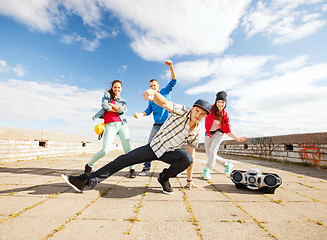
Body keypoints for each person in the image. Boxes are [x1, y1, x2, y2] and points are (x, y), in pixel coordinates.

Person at [61, 87, 212, 194]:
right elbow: (165, 103)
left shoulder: (197, 130)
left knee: (187, 158)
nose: (198, 115)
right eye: (197, 110)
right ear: (192, 109)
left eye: (202, 114)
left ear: (205, 116)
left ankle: (164, 178)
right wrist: (153, 92)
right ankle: (86, 181)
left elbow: (191, 154)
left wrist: (189, 180)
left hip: (170, 152)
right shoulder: (182, 111)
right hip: (154, 147)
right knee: (123, 160)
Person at [133, 60, 177, 176]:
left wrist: (171, 66)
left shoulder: (164, 92)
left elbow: (174, 81)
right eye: (150, 86)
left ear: (158, 87)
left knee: (172, 146)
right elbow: (148, 111)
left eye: (154, 85)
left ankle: (176, 168)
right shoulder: (151, 100)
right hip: (157, 125)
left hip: (168, 124)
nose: (153, 87)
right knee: (150, 146)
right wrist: (139, 114)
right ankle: (146, 167)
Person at [86, 80, 136, 178]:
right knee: (105, 150)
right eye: (115, 87)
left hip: (122, 124)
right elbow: (105, 105)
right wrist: (116, 108)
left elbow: (122, 111)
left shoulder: (123, 101)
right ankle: (89, 165)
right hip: (110, 125)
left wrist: (112, 105)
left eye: (119, 87)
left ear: (121, 89)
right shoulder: (107, 96)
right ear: (112, 88)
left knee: (127, 148)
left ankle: (132, 169)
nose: (117, 89)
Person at [203, 91, 246, 180]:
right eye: (218, 102)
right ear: (216, 102)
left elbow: (228, 130)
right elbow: (200, 110)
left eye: (222, 102)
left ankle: (207, 170)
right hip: (208, 133)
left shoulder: (225, 115)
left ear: (225, 104)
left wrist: (237, 138)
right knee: (210, 154)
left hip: (219, 133)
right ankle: (227, 164)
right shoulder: (209, 109)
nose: (220, 104)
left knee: (213, 149)